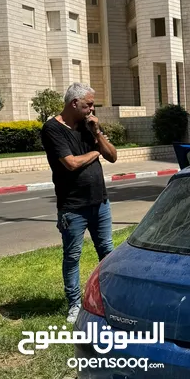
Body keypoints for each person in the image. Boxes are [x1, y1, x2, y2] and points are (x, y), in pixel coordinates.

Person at [41, 83, 118, 323]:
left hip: (100, 203)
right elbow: (71, 163)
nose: (92, 109)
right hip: (73, 207)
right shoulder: (52, 129)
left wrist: (96, 135)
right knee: (72, 256)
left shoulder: (90, 125)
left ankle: (109, 298)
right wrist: (96, 153)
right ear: (74, 103)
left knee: (107, 253)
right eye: (89, 104)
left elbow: (113, 156)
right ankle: (74, 305)